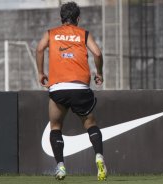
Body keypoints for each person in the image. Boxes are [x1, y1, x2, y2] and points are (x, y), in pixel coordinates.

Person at [36, 1, 107, 181]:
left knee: (56, 127)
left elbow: (39, 48)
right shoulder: (83, 34)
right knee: (90, 124)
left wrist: (41, 72)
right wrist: (99, 73)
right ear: (78, 18)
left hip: (58, 87)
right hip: (80, 87)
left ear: (61, 18)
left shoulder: (51, 33)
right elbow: (97, 54)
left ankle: (60, 166)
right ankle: (99, 157)